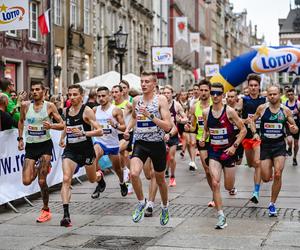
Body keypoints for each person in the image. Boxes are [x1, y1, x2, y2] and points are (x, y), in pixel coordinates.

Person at [124, 71, 172, 226]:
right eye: (142, 81)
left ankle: (164, 207)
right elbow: (133, 118)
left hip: (157, 144)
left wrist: (150, 115)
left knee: (159, 180)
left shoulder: (161, 100)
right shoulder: (136, 100)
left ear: (154, 84)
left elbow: (168, 126)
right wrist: (127, 129)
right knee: (133, 173)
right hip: (140, 143)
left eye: (147, 82)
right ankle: (141, 202)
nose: (143, 84)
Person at [201, 82, 246, 229]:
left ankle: (232, 188)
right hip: (214, 151)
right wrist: (203, 138)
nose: (215, 96)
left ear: (223, 95)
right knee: (215, 183)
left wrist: (234, 147)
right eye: (212, 93)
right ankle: (221, 215)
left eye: (218, 93)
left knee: (228, 186)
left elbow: (243, 130)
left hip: (228, 152)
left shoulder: (230, 112)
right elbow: (207, 130)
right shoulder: (206, 112)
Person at [18, 82, 64, 223]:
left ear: (44, 91)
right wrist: (20, 139)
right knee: (26, 181)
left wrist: (51, 126)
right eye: (32, 90)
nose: (35, 92)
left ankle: (45, 210)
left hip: (45, 145)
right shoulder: (25, 106)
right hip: (31, 146)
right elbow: (21, 121)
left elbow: (62, 124)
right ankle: (39, 168)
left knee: (42, 180)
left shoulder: (49, 106)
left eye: (38, 89)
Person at [59, 84, 103, 227]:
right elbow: (67, 125)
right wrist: (62, 137)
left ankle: (99, 178)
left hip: (86, 151)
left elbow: (99, 131)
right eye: (69, 95)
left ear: (81, 96)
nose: (71, 97)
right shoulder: (66, 111)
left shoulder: (87, 111)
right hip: (71, 150)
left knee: (92, 179)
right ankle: (66, 215)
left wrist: (84, 133)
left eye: (74, 94)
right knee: (66, 178)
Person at [251, 85, 298, 216]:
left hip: (279, 146)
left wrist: (294, 129)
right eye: (270, 94)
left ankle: (272, 203)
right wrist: (255, 132)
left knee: (277, 174)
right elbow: (252, 121)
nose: (272, 96)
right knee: (266, 178)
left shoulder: (286, 110)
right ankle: (268, 177)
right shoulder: (262, 108)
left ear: (279, 94)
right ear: (267, 95)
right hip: (265, 146)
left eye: (275, 94)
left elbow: (294, 127)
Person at [91, 86, 128, 199]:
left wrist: (115, 125)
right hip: (99, 141)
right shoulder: (94, 110)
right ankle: (100, 181)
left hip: (112, 143)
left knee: (117, 169)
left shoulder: (115, 110)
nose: (101, 98)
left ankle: (122, 183)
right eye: (99, 96)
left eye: (103, 96)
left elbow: (123, 127)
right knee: (94, 158)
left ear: (109, 96)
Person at [185, 80, 215, 206]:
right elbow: (193, 127)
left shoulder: (216, 103)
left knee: (215, 169)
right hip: (201, 141)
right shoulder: (194, 107)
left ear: (210, 91)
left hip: (215, 140)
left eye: (205, 90)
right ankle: (214, 194)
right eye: (201, 90)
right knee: (207, 170)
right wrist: (188, 128)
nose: (203, 93)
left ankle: (217, 190)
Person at [239, 74, 266, 204]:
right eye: (251, 86)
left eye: (256, 86)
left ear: (259, 87)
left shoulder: (264, 101)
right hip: (246, 137)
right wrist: (244, 120)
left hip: (259, 136)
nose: (253, 88)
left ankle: (256, 192)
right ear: (248, 87)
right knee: (250, 163)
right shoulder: (243, 100)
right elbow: (236, 116)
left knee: (257, 162)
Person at [163, 85, 187, 187]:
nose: (166, 95)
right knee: (164, 156)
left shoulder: (176, 105)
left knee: (172, 157)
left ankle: (172, 177)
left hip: (173, 133)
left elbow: (185, 118)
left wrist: (179, 120)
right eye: (164, 93)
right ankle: (166, 170)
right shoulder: (160, 104)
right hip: (161, 134)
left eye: (168, 93)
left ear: (172, 94)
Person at [226, 89, 244, 166]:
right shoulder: (224, 107)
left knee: (239, 161)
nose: (230, 98)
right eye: (229, 97)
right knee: (230, 159)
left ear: (236, 97)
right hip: (228, 134)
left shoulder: (241, 106)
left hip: (239, 133)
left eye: (232, 97)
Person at [285, 88, 300, 165]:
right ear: (287, 95)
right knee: (290, 140)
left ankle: (294, 158)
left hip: (297, 125)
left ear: (294, 95)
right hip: (288, 125)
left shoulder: (298, 103)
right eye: (289, 95)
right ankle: (290, 148)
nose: (290, 96)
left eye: (291, 94)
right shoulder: (285, 104)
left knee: (296, 144)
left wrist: (298, 112)